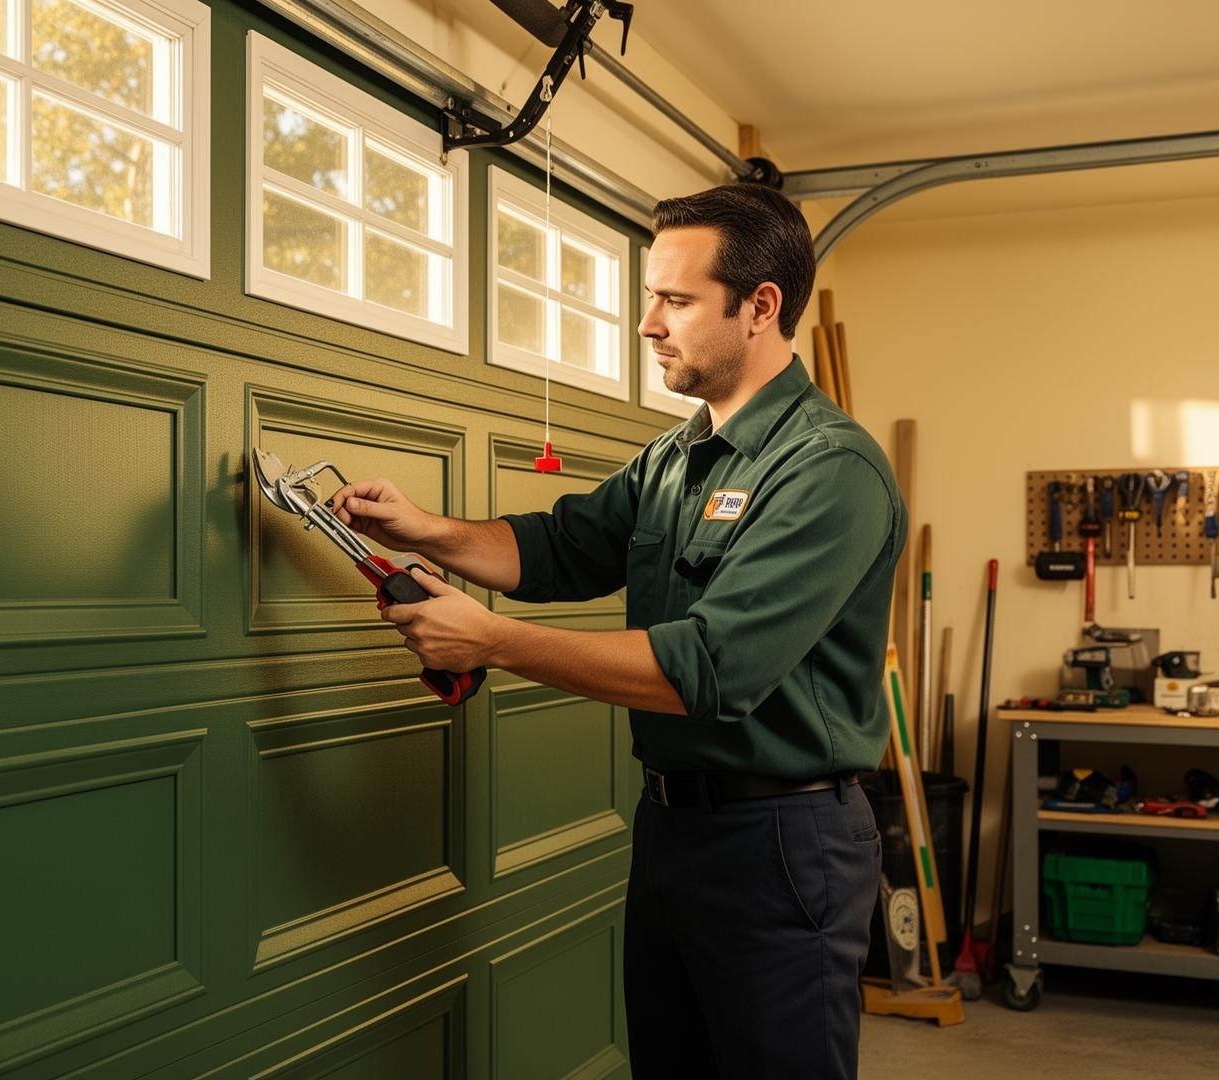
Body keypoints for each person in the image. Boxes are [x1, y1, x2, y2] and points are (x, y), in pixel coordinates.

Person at [328, 184, 905, 1079]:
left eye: (675, 300)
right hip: (673, 828)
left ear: (760, 308)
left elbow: (709, 666)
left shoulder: (830, 469)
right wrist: (428, 529)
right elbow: (563, 547)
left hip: (784, 842)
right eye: (650, 296)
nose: (647, 324)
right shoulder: (677, 458)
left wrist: (490, 641)